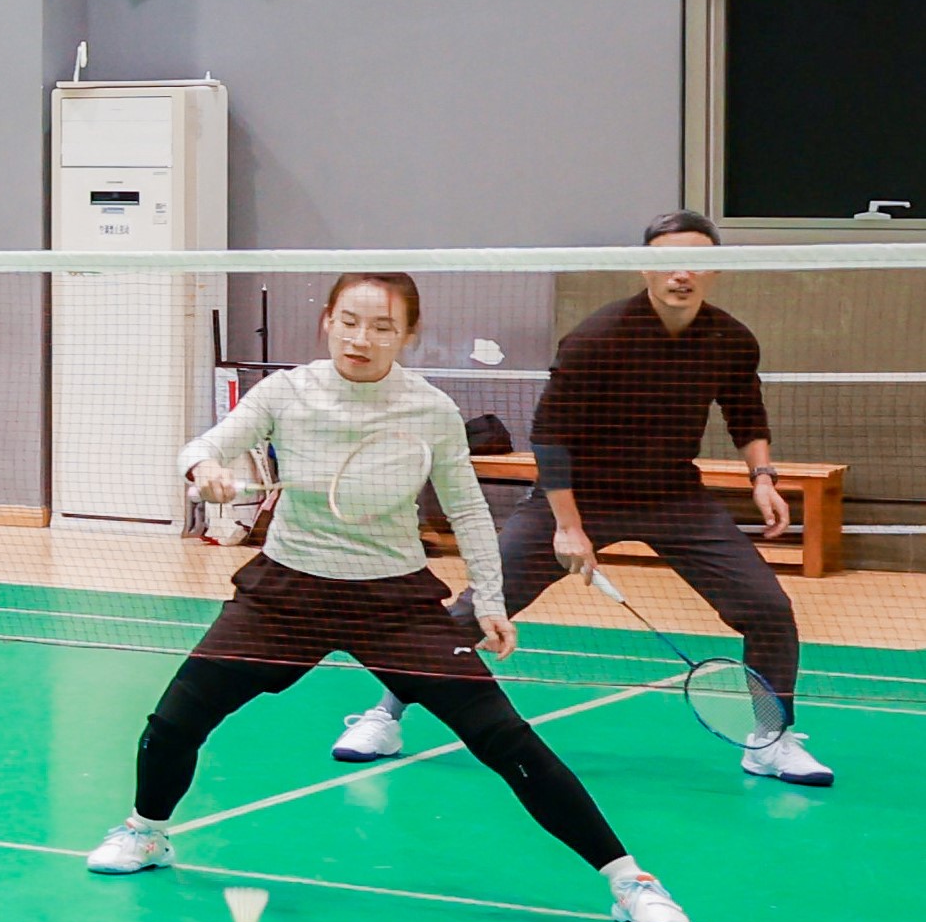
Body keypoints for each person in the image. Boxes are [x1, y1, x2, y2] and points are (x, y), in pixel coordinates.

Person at [87, 270, 687, 922]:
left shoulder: (429, 409)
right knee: (176, 719)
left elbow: (468, 509)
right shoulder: (287, 391)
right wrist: (206, 471)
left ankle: (629, 880)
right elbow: (203, 447)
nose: (361, 338)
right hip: (287, 593)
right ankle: (146, 830)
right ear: (327, 320)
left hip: (393, 601)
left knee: (504, 737)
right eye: (349, 321)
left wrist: (490, 598)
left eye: (381, 327)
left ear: (407, 335)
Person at [332, 212, 829, 787]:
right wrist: (568, 527)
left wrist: (762, 477)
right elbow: (550, 435)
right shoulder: (600, 336)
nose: (682, 273)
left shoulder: (730, 339)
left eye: (695, 261)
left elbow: (746, 411)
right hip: (576, 494)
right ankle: (384, 716)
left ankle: (770, 738)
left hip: (672, 496)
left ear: (716, 269)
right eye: (668, 261)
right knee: (482, 605)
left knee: (768, 610)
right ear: (644, 267)